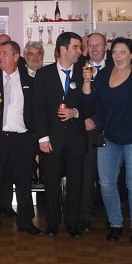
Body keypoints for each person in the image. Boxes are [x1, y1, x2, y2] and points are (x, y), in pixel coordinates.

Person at [83, 34, 132, 244]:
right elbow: (89, 99)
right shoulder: (104, 73)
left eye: (123, 52)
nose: (118, 56)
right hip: (110, 137)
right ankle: (115, 223)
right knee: (106, 183)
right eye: (115, 52)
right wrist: (87, 81)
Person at [0, 41, 39, 236]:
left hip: (22, 138)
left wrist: (35, 135)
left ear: (16, 57)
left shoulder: (29, 79)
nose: (0, 57)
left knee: (23, 182)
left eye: (4, 53)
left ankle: (26, 221)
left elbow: (36, 109)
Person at [33, 32, 87, 238]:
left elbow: (91, 104)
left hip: (76, 138)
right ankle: (53, 222)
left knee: (76, 183)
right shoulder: (44, 74)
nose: (80, 51)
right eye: (76, 47)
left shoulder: (84, 73)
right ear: (63, 49)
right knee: (51, 182)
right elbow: (37, 108)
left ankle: (73, 223)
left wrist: (76, 112)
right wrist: (43, 138)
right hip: (51, 139)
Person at [77, 32, 110, 232]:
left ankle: (111, 215)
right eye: (91, 45)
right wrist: (83, 117)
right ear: (86, 48)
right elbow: (73, 97)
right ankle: (85, 215)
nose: (95, 49)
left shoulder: (116, 67)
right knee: (87, 173)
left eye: (99, 45)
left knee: (110, 175)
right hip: (87, 129)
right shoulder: (78, 68)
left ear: (106, 47)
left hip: (110, 128)